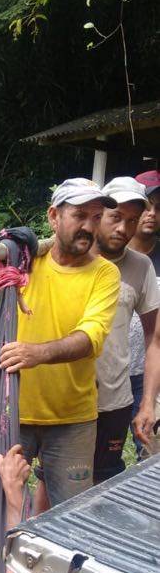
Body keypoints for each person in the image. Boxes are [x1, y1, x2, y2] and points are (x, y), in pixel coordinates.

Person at [0, 178, 120, 573]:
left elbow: (90, 338)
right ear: (54, 217)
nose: (89, 226)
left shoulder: (103, 274)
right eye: (79, 215)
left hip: (72, 416)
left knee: (72, 507)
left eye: (96, 216)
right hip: (14, 412)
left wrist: (36, 353)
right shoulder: (25, 262)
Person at [92, 177, 158, 483]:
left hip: (115, 396)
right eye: (116, 217)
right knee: (58, 480)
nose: (123, 228)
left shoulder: (141, 266)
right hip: (66, 397)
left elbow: (154, 339)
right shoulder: (72, 253)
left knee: (105, 478)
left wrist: (147, 403)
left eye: (130, 220)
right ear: (98, 215)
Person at [128, 172, 160, 455]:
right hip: (103, 374)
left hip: (150, 373)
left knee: (151, 453)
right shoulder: (103, 254)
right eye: (145, 207)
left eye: (158, 208)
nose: (151, 214)